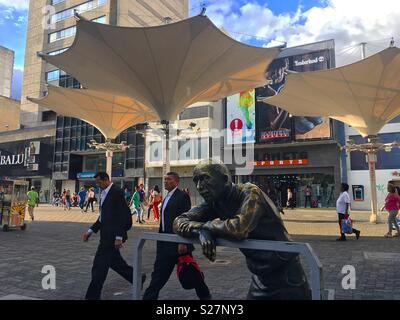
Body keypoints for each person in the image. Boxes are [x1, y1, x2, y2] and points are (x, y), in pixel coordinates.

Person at [173, 161, 311, 300]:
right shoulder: (214, 202)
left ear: (225, 179)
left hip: (287, 276)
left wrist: (206, 227)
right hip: (260, 277)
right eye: (196, 181)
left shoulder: (250, 192)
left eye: (205, 178)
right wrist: (200, 231)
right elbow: (179, 221)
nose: (199, 187)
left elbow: (239, 228)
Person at [143, 172, 211, 300]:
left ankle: (205, 296)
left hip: (179, 244)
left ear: (176, 182)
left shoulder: (182, 196)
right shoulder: (167, 196)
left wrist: (183, 241)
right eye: (165, 179)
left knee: (191, 272)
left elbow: (186, 220)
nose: (165, 181)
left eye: (169, 179)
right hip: (164, 243)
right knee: (158, 275)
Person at [82, 172, 145, 300]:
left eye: (99, 182)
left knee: (99, 268)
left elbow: (122, 216)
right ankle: (137, 277)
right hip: (106, 236)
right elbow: (103, 217)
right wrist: (91, 230)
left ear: (106, 180)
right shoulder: (105, 193)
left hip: (112, 238)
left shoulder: (116, 192)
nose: (98, 185)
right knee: (115, 263)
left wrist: (119, 237)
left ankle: (92, 297)